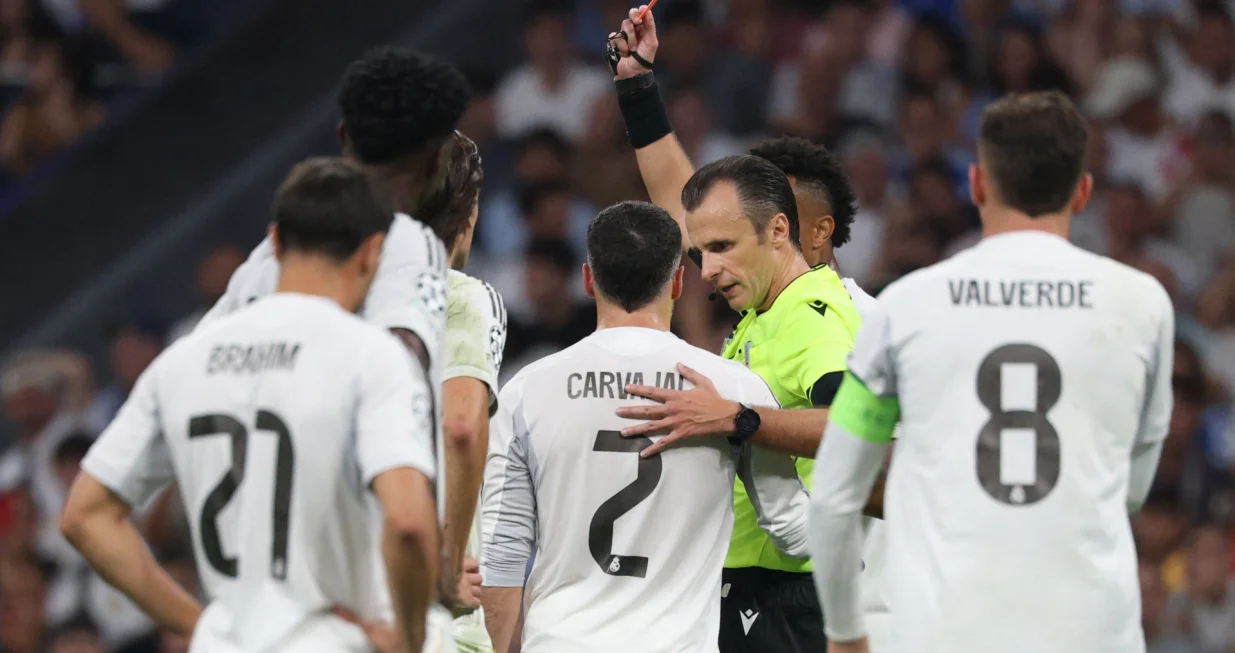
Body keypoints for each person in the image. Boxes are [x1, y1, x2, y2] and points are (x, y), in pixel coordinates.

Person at [810, 91, 1173, 653]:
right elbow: (1132, 489)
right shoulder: (1143, 305)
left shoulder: (906, 307)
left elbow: (835, 493)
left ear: (978, 184)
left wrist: (844, 631)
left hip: (947, 628)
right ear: (1082, 192)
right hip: (1092, 629)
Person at [59, 158, 442, 653]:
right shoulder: (369, 355)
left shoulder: (183, 359)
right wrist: (409, 642)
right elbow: (409, 523)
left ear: (276, 243)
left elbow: (83, 517)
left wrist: (199, 626)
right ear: (372, 253)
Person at [607, 8, 891, 648]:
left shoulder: (828, 315)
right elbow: (682, 203)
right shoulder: (766, 310)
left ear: (791, 229)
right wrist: (638, 90)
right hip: (763, 575)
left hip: (817, 581)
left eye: (729, 239)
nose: (707, 264)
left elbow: (857, 439)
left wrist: (738, 418)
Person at [195, 46, 474, 647]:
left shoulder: (265, 261)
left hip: (249, 593)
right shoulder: (403, 243)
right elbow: (398, 376)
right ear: (435, 159)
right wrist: (434, 571)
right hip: (352, 593)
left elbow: (190, 383)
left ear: (343, 133)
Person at [478, 201, 812, 653]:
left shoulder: (525, 393)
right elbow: (796, 532)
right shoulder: (731, 390)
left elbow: (502, 558)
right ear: (677, 282)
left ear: (588, 280)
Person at [416, 129, 506, 653]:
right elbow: (462, 423)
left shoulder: (347, 300)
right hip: (435, 614)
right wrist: (449, 566)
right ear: (469, 214)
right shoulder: (466, 298)